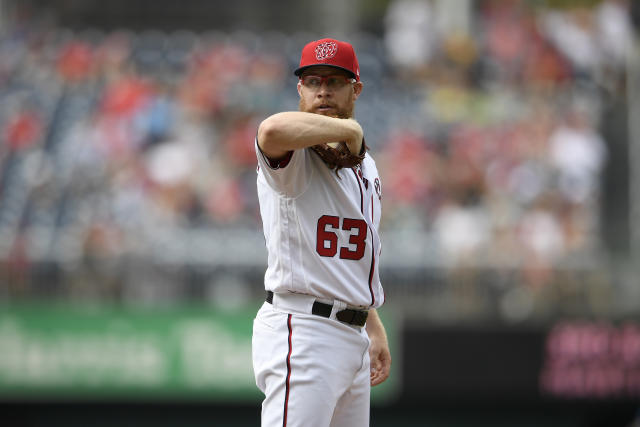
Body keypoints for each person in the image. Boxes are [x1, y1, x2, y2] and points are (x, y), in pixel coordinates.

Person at [252, 38, 391, 427]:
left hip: (352, 337)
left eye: (335, 81)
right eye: (313, 82)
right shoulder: (296, 155)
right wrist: (348, 130)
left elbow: (351, 254)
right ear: (300, 89)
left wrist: (370, 320)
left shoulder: (365, 165)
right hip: (305, 330)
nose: (323, 91)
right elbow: (270, 130)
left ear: (356, 89)